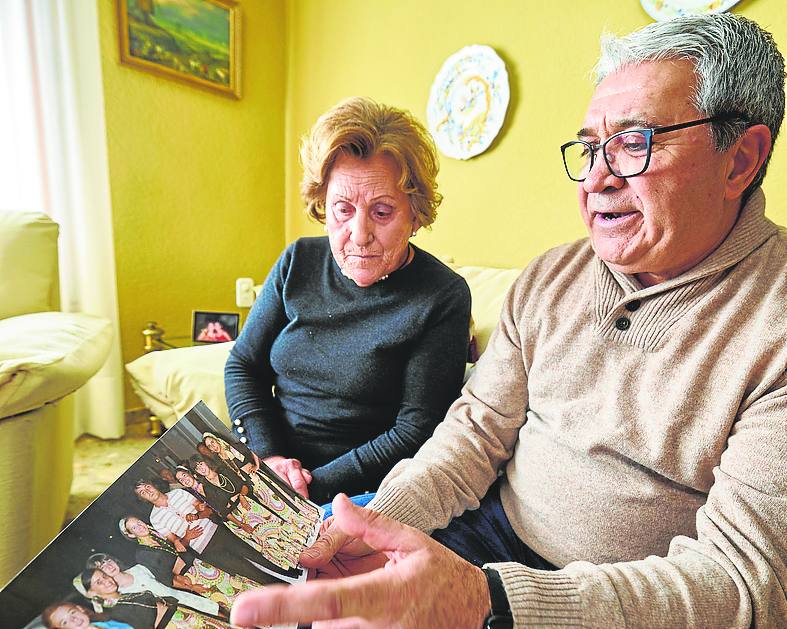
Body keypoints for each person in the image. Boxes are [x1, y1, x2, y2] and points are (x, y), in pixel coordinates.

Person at [229, 13, 787, 629]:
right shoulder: (550, 277)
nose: (596, 179)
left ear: (740, 160)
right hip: (489, 540)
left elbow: (743, 583)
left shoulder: (774, 321)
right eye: (592, 146)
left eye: (634, 143)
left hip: (625, 602)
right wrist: (374, 525)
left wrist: (490, 601)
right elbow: (473, 435)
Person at [224, 96, 473, 504]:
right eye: (343, 209)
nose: (358, 234)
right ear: (323, 205)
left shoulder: (441, 295)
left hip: (360, 491)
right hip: (269, 469)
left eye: (382, 212)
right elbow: (243, 365)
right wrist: (269, 458)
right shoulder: (298, 260)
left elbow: (415, 431)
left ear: (415, 213)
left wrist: (308, 486)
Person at [133, 479, 299, 583]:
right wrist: (187, 538)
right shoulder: (154, 518)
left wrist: (197, 514)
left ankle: (288, 571)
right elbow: (177, 544)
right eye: (143, 492)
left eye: (147, 486)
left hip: (219, 533)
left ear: (153, 485)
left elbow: (207, 511)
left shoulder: (177, 493)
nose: (147, 491)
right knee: (246, 570)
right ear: (143, 499)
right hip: (206, 550)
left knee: (256, 554)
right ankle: (285, 589)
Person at [119, 516, 260, 611]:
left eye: (138, 522)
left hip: (201, 565)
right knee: (228, 599)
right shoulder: (142, 553)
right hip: (191, 577)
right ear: (131, 534)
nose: (140, 526)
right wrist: (192, 587)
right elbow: (165, 578)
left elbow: (180, 550)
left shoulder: (157, 535)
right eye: (134, 528)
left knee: (238, 586)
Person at [73, 567, 232, 629]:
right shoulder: (111, 614)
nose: (107, 580)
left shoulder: (125, 595)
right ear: (92, 593)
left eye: (104, 576)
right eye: (99, 582)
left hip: (186, 616)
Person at [85, 552, 226, 618]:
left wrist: (191, 587)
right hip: (177, 618)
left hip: (189, 600)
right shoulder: (119, 595)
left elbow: (167, 581)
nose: (108, 566)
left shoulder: (139, 568)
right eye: (102, 567)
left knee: (224, 618)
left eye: (107, 560)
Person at [41, 601, 133, 629]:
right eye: (64, 622)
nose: (74, 619)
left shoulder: (108, 623)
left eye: (72, 612)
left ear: (80, 609)